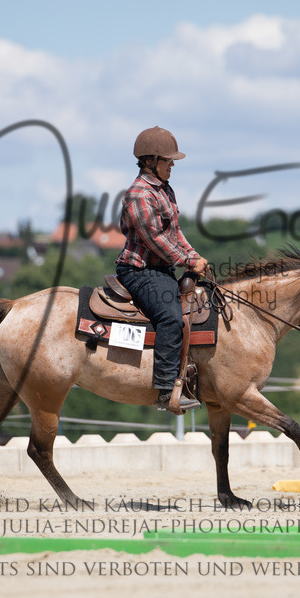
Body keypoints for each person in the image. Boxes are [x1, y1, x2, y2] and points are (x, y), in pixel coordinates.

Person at [115, 126, 209, 412]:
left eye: (172, 161)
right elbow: (154, 240)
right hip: (140, 271)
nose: (172, 166)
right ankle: (166, 390)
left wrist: (195, 257)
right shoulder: (139, 194)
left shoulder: (165, 190)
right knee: (172, 318)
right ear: (149, 161)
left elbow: (175, 234)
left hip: (162, 270)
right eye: (168, 161)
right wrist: (187, 262)